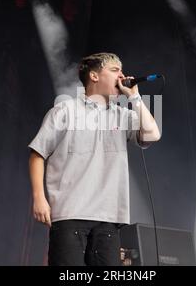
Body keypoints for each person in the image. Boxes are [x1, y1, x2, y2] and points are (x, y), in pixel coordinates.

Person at [28, 53, 161, 266]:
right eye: (115, 70)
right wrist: (39, 198)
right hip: (70, 215)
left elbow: (153, 134)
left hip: (108, 220)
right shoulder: (65, 110)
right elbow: (38, 154)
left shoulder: (122, 115)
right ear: (94, 76)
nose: (122, 75)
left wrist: (135, 97)